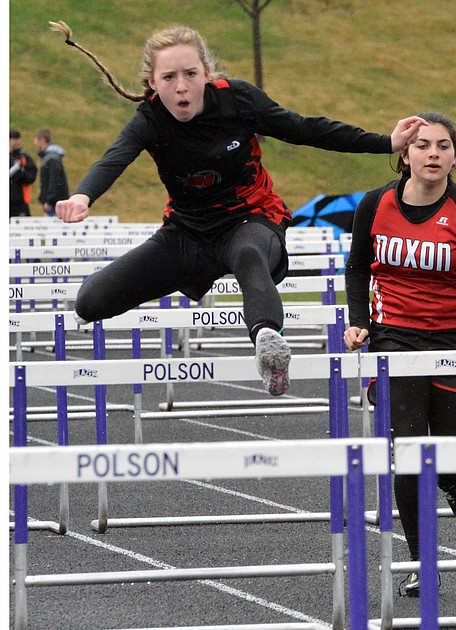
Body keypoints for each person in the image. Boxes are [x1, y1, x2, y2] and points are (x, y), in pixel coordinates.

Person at [49, 21, 425, 396]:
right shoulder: (149, 119)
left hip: (252, 219)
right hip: (188, 232)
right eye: (168, 78)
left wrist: (385, 143)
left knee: (247, 253)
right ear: (152, 83)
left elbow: (306, 129)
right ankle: (243, 318)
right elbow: (115, 158)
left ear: (207, 74)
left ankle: (267, 343)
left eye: (190, 74)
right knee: (90, 301)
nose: (181, 87)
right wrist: (83, 196)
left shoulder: (238, 100)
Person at [343, 112, 456, 596]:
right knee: (407, 456)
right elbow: (358, 268)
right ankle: (423, 561)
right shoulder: (374, 205)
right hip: (393, 339)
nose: (433, 154)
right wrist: (358, 321)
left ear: (455, 156)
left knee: (451, 457)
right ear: (405, 153)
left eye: (443, 146)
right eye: (422, 145)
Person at [34, 128, 70, 217]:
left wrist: (49, 201)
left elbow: (54, 181)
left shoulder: (51, 159)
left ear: (41, 140)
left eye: (36, 140)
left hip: (54, 205)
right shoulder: (50, 157)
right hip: (55, 203)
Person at [9, 128, 38, 217]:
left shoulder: (24, 157)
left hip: (20, 203)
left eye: (18, 139)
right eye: (14, 140)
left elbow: (31, 177)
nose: (17, 142)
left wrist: (19, 171)